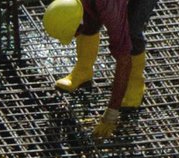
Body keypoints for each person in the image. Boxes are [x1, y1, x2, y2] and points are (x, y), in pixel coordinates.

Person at [47, 0, 147, 138]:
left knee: (131, 32)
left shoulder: (110, 8)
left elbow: (124, 59)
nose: (74, 36)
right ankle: (83, 71)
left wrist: (111, 113)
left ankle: (134, 85)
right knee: (89, 18)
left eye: (75, 32)